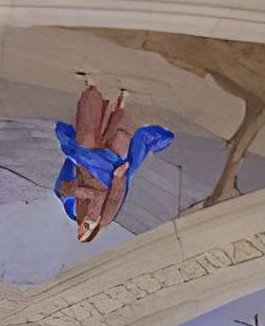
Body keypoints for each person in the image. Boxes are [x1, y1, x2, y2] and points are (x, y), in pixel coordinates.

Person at [52, 81, 174, 242]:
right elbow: (116, 197)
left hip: (89, 168)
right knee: (107, 138)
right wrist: (118, 178)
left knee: (91, 139)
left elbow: (63, 185)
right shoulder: (104, 218)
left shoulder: (74, 211)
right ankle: (97, 91)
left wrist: (72, 189)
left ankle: (96, 91)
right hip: (105, 174)